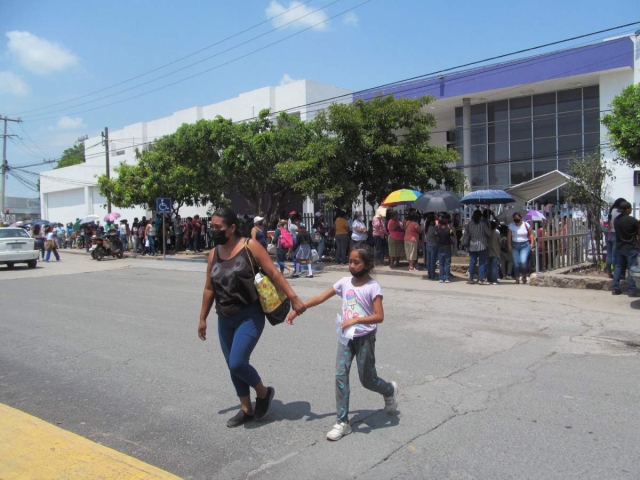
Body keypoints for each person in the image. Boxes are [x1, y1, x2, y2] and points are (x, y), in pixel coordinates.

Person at [198, 208, 306, 427]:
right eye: (213, 226)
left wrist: (294, 298)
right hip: (224, 318)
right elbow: (209, 288)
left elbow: (275, 273)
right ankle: (246, 408)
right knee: (232, 366)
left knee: (238, 362)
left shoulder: (250, 246)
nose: (214, 230)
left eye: (218, 227)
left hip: (249, 314)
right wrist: (203, 318)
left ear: (232, 228)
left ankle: (263, 393)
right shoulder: (213, 254)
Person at [286, 248, 398, 441]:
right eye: (350, 261)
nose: (351, 265)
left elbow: (379, 316)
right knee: (340, 374)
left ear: (368, 265)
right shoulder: (345, 283)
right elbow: (322, 296)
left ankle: (389, 390)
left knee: (367, 380)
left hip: (364, 338)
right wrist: (300, 308)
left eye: (356, 262)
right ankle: (342, 422)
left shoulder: (372, 287)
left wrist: (355, 320)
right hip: (346, 337)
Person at [612, 201, 639, 296]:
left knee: (618, 267)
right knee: (632, 268)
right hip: (631, 247)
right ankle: (632, 290)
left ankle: (615, 288)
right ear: (627, 210)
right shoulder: (633, 220)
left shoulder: (616, 220)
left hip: (620, 247)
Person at [507, 212, 535, 284]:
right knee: (516, 263)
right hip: (515, 245)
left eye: (517, 217)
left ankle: (524, 276)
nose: (516, 219)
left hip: (525, 245)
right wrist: (509, 245)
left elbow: (531, 234)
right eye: (515, 218)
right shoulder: (511, 226)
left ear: (520, 217)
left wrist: (532, 243)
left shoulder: (526, 224)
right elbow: (509, 236)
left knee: (523, 261)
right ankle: (517, 278)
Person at [467, 209, 491, 284]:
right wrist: (489, 225)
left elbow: (467, 233)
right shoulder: (483, 224)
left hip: (472, 244)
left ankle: (471, 278)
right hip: (482, 244)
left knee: (472, 262)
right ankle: (481, 279)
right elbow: (489, 234)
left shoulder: (470, 224)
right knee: (482, 262)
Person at [605, 198, 627, 279]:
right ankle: (616, 272)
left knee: (609, 254)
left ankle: (608, 272)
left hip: (607, 233)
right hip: (616, 233)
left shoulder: (610, 211)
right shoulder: (619, 212)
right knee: (615, 255)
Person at [436, 218, 454, 283]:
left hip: (440, 248)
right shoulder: (449, 230)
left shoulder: (438, 230)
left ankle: (441, 277)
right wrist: (450, 228)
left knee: (441, 264)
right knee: (447, 263)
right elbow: (452, 235)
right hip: (447, 248)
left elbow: (436, 236)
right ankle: (447, 278)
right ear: (446, 224)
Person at [424, 214, 438, 279]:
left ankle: (429, 273)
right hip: (434, 245)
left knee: (429, 260)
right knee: (433, 261)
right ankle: (432, 274)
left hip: (428, 245)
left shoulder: (427, 228)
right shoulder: (434, 228)